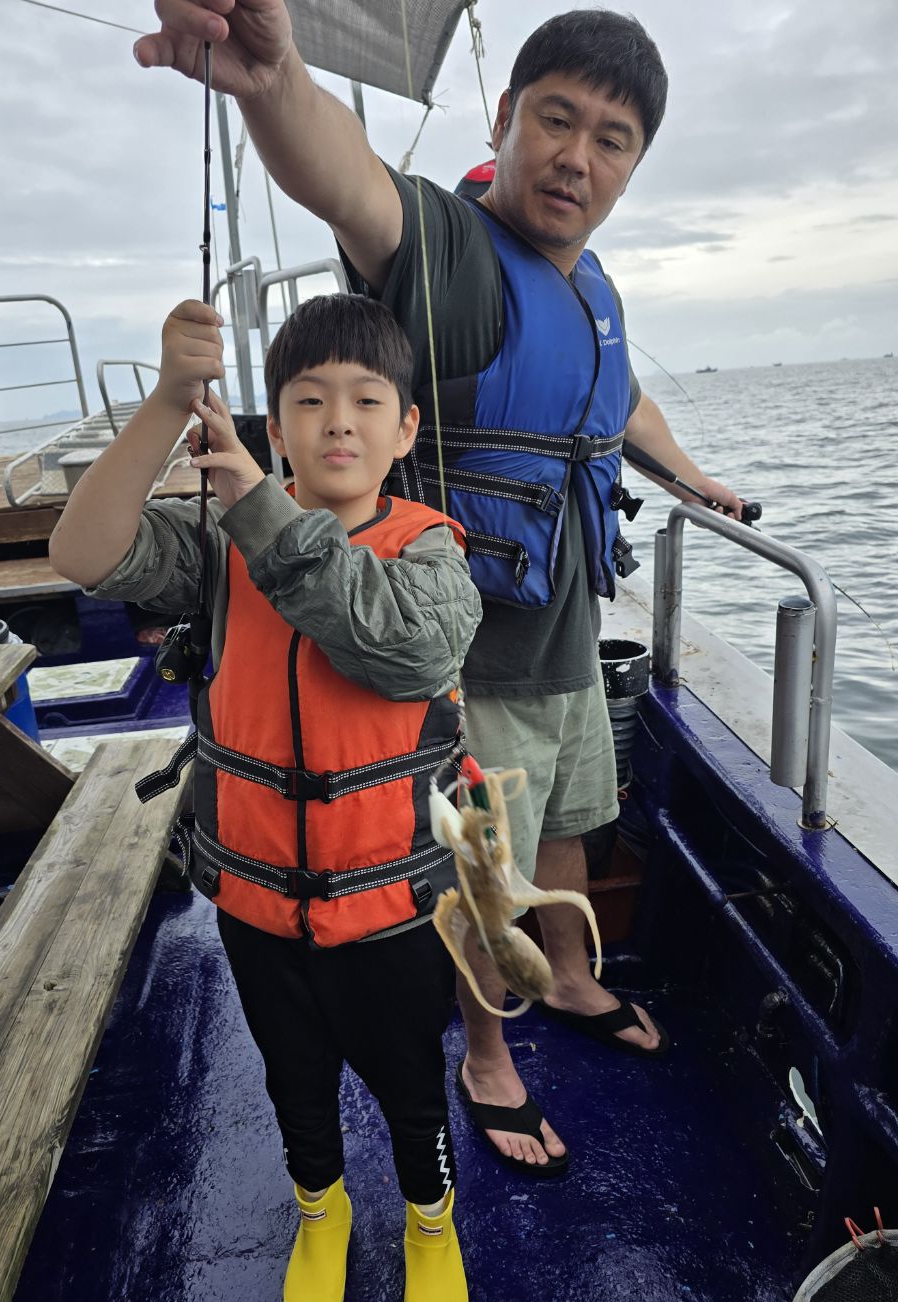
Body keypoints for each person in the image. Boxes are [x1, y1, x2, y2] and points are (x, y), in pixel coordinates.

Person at [133, 2, 744, 1175]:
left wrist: (691, 477)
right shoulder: (451, 251)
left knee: (568, 824)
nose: (575, 157)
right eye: (554, 120)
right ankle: (488, 1057)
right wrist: (272, 82)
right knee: (474, 871)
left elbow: (617, 399)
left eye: (610, 139)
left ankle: (570, 979)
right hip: (463, 653)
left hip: (565, 626)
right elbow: (348, 180)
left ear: (633, 164)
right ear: (504, 118)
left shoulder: (592, 285)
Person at [48, 293, 482, 1302]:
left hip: (391, 909)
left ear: (405, 428)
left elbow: (406, 651)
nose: (338, 421)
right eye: (309, 400)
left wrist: (261, 513)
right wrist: (167, 401)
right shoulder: (218, 547)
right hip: (255, 902)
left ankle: (430, 1225)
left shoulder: (431, 554)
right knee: (294, 1077)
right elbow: (82, 552)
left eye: (366, 401)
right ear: (274, 425)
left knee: (411, 1085)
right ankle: (320, 1213)